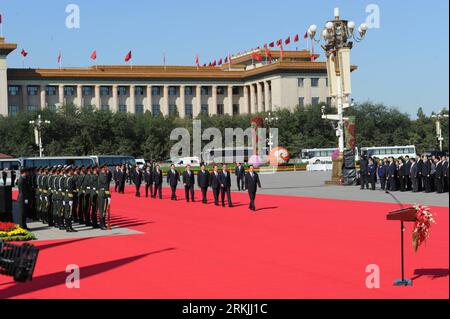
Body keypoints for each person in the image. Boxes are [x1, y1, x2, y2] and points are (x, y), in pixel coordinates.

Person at [63, 166, 78, 232]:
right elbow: (71, 190)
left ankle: (67, 227)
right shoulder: (71, 179)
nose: (73, 171)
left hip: (66, 197)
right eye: (72, 170)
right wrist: (75, 191)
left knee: (66, 213)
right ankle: (69, 227)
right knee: (69, 213)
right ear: (69, 171)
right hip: (70, 198)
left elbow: (64, 188)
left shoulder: (65, 178)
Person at [98, 164, 112, 230]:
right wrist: (106, 174)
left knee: (104, 209)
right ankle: (101, 225)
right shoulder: (101, 174)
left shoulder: (104, 174)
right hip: (102, 193)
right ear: (103, 168)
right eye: (106, 167)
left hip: (105, 193)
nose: (107, 168)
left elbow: (108, 181)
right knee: (102, 210)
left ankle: (103, 224)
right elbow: (104, 182)